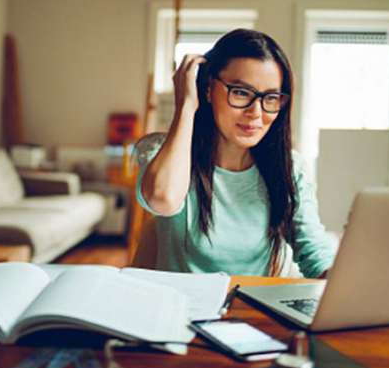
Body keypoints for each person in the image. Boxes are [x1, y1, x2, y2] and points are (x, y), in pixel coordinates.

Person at [135, 29, 336, 277]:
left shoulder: (289, 168)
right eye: (241, 93)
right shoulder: (159, 151)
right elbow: (162, 199)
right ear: (208, 89)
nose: (256, 112)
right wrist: (186, 107)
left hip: (250, 312)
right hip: (179, 309)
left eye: (270, 97)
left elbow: (314, 252)